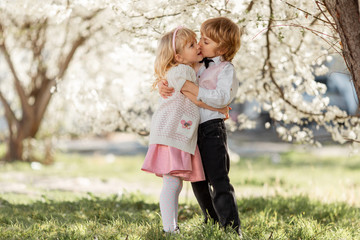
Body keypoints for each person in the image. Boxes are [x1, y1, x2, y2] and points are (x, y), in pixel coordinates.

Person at [158, 17, 242, 236]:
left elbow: (223, 97)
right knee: (198, 181)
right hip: (192, 131)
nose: (200, 44)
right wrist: (162, 84)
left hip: (212, 129)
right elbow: (174, 73)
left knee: (218, 180)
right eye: (199, 40)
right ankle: (211, 221)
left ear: (221, 47)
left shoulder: (226, 69)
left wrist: (197, 95)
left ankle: (232, 228)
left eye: (205, 41)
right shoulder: (194, 65)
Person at [141, 26, 229, 234]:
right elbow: (195, 95)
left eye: (197, 41)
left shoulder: (183, 69)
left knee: (174, 184)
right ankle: (169, 229)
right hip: (172, 134)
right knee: (172, 184)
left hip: (173, 133)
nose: (197, 45)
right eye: (191, 45)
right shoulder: (183, 71)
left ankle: (171, 227)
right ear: (178, 57)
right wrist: (220, 107)